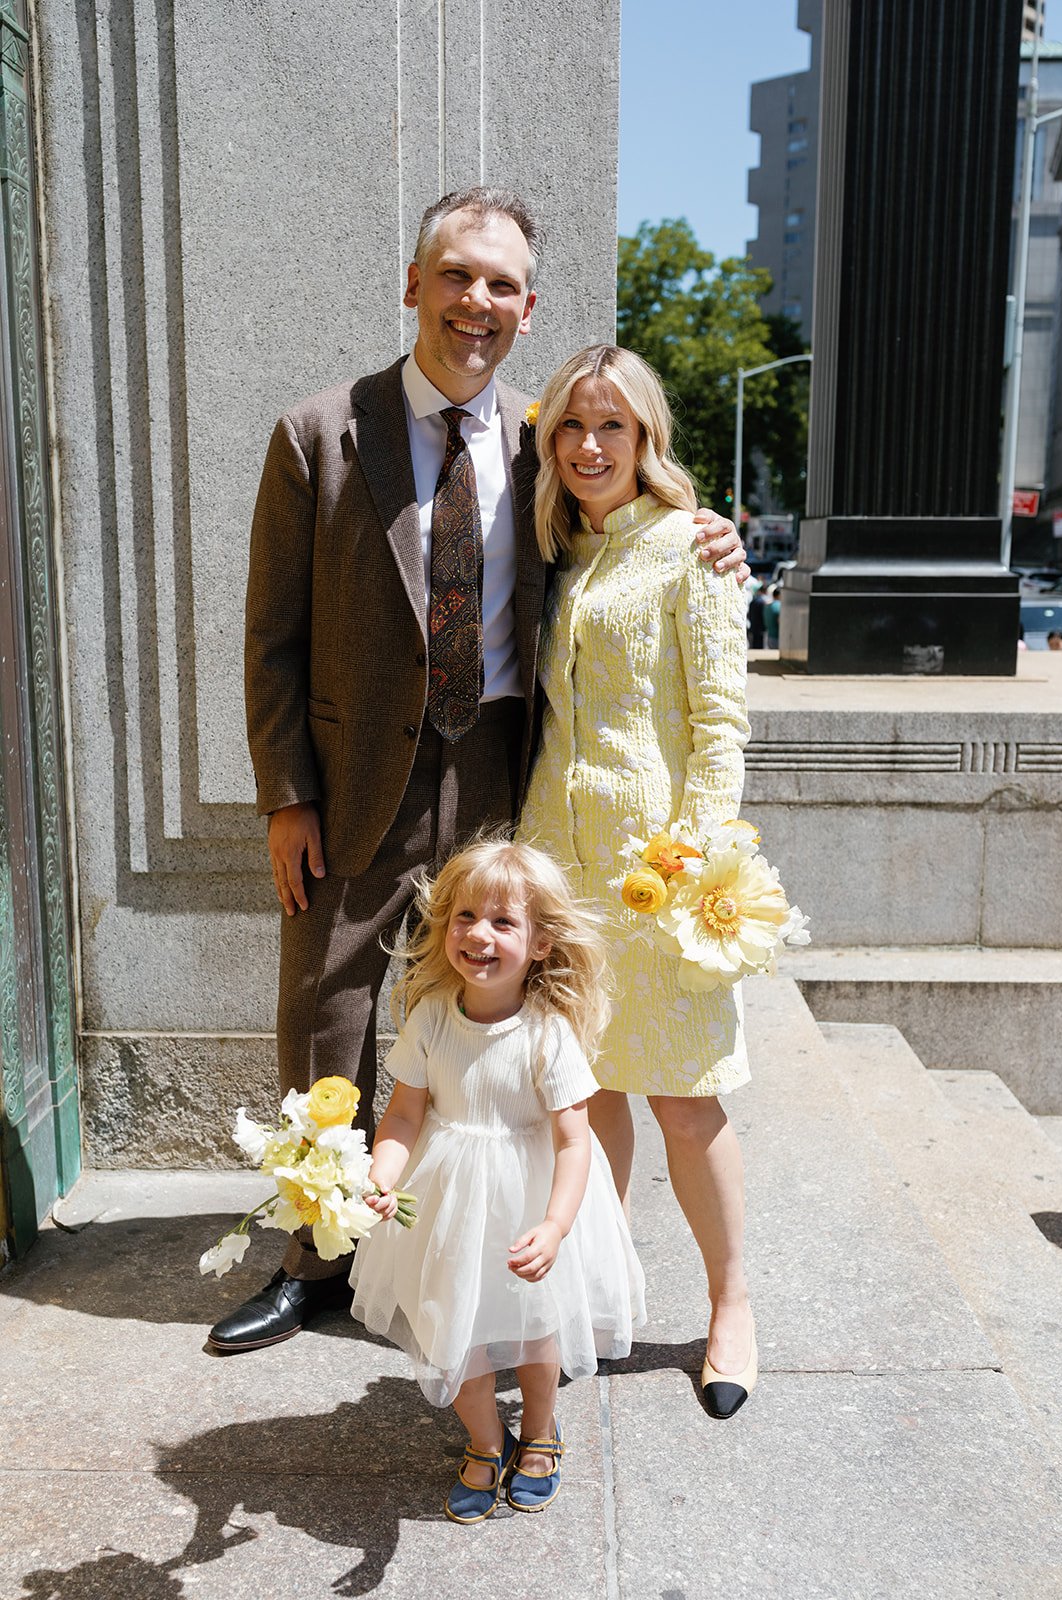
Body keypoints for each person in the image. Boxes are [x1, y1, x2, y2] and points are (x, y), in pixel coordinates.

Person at [213, 187, 745, 1354]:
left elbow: (627, 543)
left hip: (507, 779)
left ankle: (462, 1246)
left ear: (526, 307)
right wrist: (284, 794)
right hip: (356, 783)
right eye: (456, 275)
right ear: (413, 285)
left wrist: (712, 532)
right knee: (329, 1006)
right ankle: (311, 1258)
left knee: (494, 1019)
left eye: (500, 285)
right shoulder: (320, 434)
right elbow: (270, 639)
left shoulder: (545, 445)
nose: (475, 302)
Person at [517, 345, 757, 1418]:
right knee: (590, 1089)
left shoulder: (690, 552)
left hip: (658, 868)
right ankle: (600, 1298)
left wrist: (686, 855)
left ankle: (730, 1305)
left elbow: (721, 729)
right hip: (557, 870)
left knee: (684, 1097)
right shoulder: (557, 551)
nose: (589, 445)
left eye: (611, 425)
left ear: (646, 437)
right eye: (571, 425)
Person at [351, 838, 644, 1522]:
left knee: (538, 1329)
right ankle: (485, 1439)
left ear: (541, 944)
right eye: (463, 917)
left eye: (502, 923)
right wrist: (382, 1176)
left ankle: (539, 1428)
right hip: (449, 1197)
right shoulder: (430, 1018)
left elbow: (574, 1142)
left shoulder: (547, 1035)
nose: (477, 935)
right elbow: (402, 1115)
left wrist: (554, 1224)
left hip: (527, 1195)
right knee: (454, 1322)